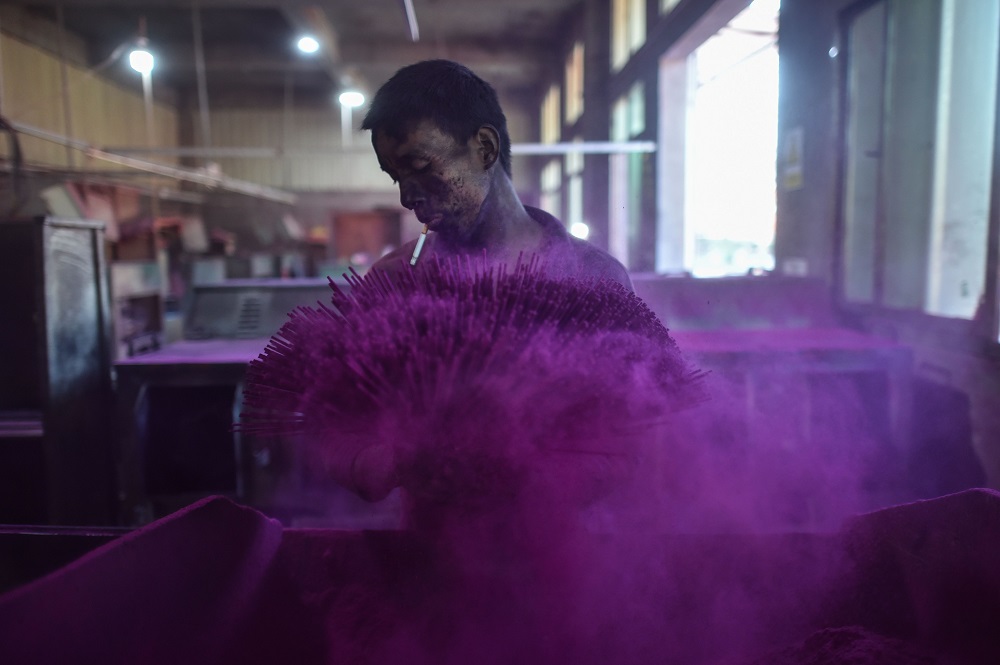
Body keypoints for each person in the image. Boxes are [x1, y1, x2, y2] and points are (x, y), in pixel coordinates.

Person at [362, 59, 632, 291]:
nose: (406, 198)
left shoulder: (599, 278)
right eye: (396, 177)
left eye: (421, 166)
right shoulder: (390, 283)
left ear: (485, 148)